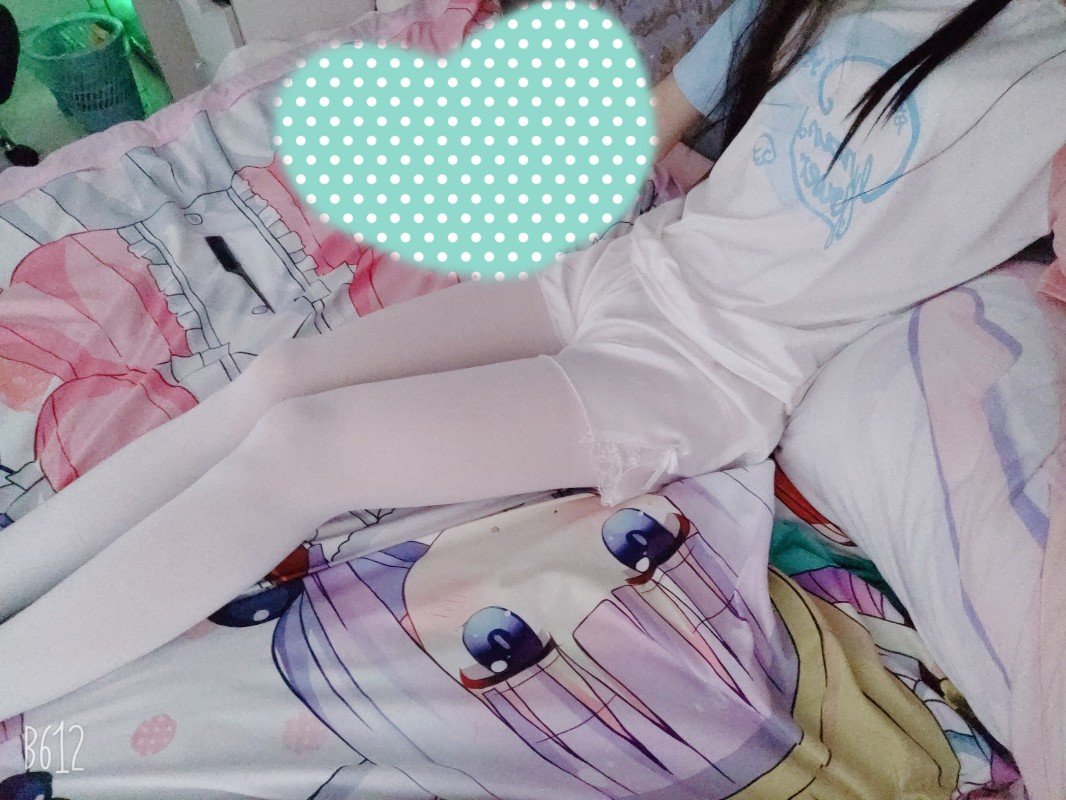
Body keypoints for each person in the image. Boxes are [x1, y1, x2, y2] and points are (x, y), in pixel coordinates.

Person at [0, 0, 1062, 750]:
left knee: (304, 447)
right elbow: (663, 120)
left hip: (702, 371)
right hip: (633, 264)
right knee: (277, 378)